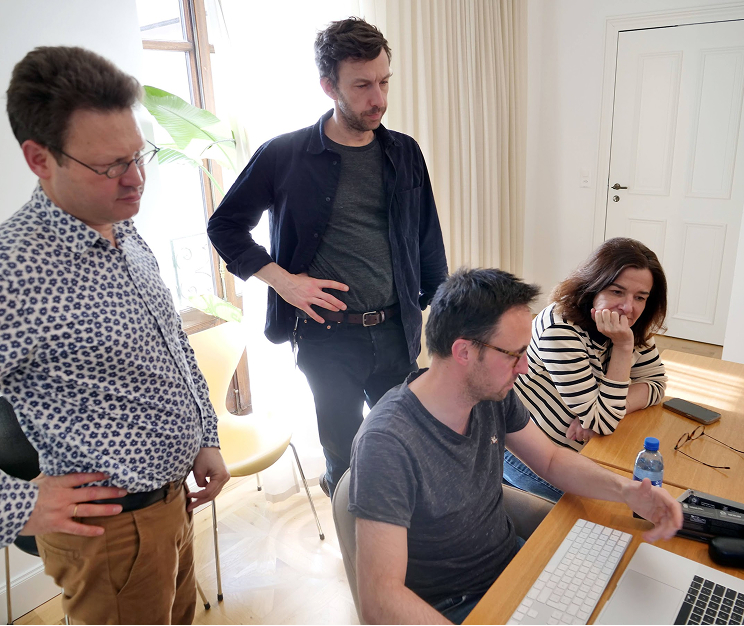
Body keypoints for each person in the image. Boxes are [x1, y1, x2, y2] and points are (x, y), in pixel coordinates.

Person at [0, 46, 229, 624]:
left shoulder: (122, 229)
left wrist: (204, 436)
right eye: (110, 166)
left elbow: (172, 346)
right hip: (111, 532)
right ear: (39, 158)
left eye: (138, 155)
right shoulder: (14, 271)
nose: (136, 180)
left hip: (173, 500)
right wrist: (18, 505)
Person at [349, 268, 682, 625]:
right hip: (452, 607)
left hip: (514, 568)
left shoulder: (491, 394)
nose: (524, 368)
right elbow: (380, 600)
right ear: (463, 351)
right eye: (514, 354)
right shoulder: (387, 443)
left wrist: (627, 491)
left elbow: (551, 460)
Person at [207, 17, 448, 498]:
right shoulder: (284, 155)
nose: (378, 98)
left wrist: (433, 310)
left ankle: (403, 535)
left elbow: (426, 238)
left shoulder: (405, 152)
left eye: (383, 82)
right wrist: (284, 281)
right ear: (328, 87)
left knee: (407, 445)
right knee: (347, 458)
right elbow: (225, 225)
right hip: (326, 339)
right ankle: (351, 531)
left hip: (396, 331)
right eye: (362, 86)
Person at [508, 237, 668, 502]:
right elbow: (602, 421)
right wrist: (623, 347)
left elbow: (656, 384)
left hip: (579, 450)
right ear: (593, 286)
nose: (628, 307)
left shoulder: (626, 324)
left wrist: (607, 411)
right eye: (617, 292)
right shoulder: (560, 329)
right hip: (530, 455)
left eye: (640, 297)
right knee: (608, 510)